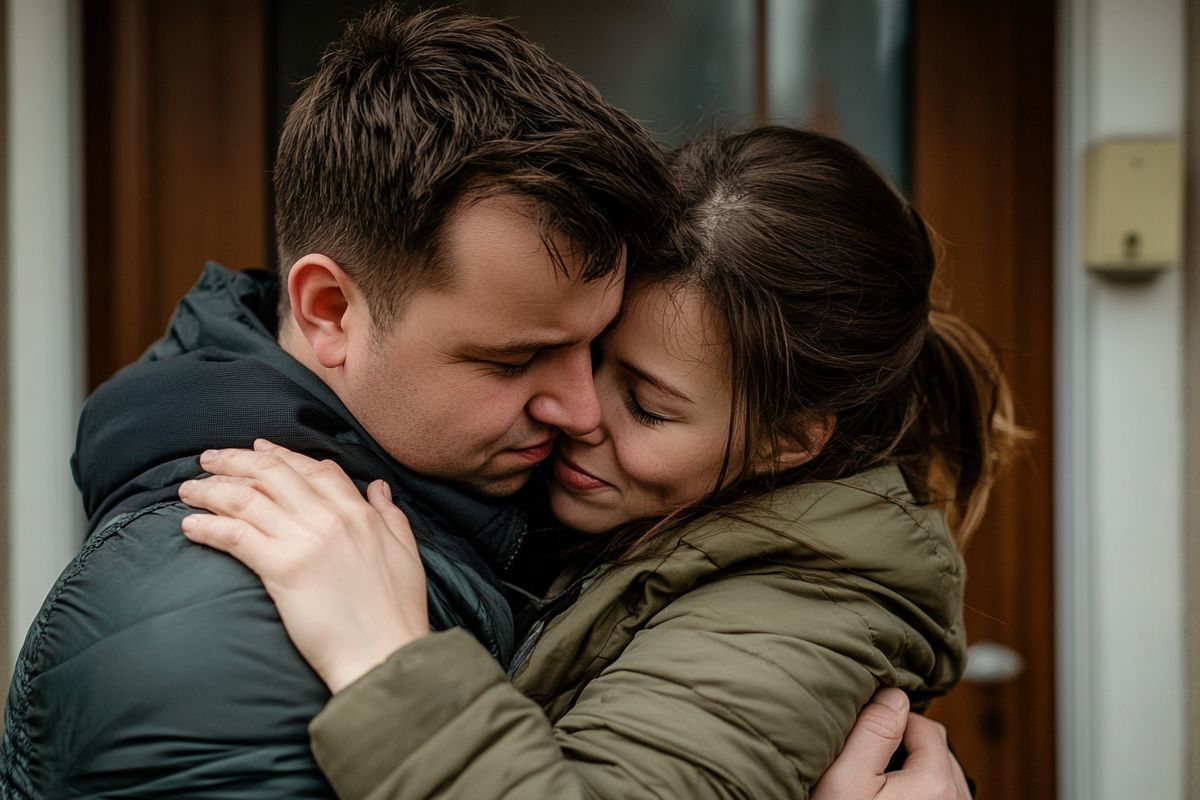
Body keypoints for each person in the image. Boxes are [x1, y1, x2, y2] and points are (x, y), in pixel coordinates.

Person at [0, 6, 963, 798]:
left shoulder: (498, 510)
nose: (577, 410)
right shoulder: (224, 623)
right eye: (518, 359)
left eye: (619, 374)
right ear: (329, 310)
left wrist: (389, 658)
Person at [180, 127, 1011, 798]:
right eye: (578, 352)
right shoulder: (594, 504)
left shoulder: (810, 610)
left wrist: (383, 655)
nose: (576, 411)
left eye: (646, 404)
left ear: (785, 442)